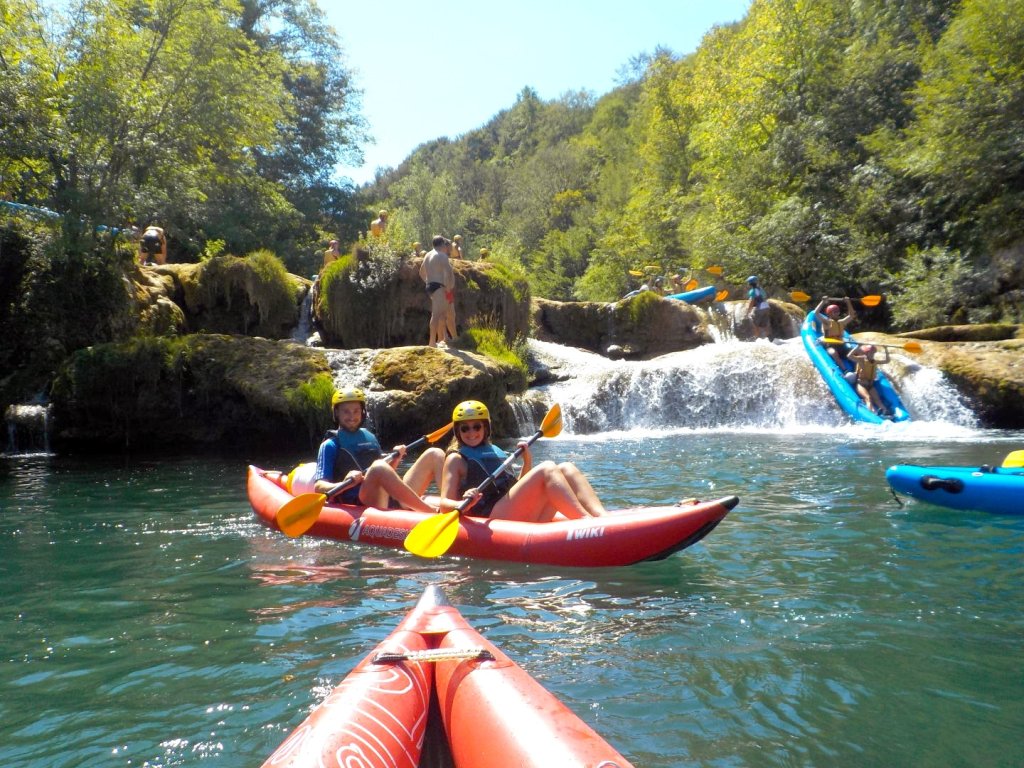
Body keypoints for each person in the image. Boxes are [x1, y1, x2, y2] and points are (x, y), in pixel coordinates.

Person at [439, 400, 608, 522]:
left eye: (476, 426)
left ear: (485, 428)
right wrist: (464, 502)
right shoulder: (456, 459)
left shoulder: (494, 452)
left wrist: (527, 461)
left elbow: (514, 488)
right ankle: (586, 522)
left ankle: (602, 517)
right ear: (457, 431)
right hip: (489, 515)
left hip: (509, 509)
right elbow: (444, 504)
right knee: (547, 468)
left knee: (566, 467)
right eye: (465, 428)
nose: (471, 432)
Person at [312, 388, 443, 512]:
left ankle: (452, 504)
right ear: (336, 413)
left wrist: (396, 458)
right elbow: (319, 487)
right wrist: (346, 483)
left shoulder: (370, 437)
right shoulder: (330, 445)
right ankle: (430, 512)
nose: (352, 416)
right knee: (378, 467)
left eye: (356, 411)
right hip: (361, 500)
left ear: (362, 412)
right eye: (346, 411)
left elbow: (386, 475)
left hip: (386, 496)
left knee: (434, 453)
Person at [418, 235, 455, 348]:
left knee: (442, 313)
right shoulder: (442, 256)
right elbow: (448, 274)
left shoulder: (427, 255)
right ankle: (432, 342)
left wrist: (428, 282)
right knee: (436, 314)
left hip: (430, 286)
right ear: (443, 244)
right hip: (440, 286)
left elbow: (421, 272)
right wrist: (448, 289)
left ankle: (443, 338)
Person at [847, 344, 892, 416]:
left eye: (873, 353)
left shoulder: (875, 361)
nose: (873, 354)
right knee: (868, 398)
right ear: (867, 353)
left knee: (878, 400)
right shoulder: (861, 359)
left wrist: (886, 349)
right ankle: (872, 414)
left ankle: (885, 411)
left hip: (870, 385)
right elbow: (849, 356)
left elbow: (887, 360)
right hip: (860, 384)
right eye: (871, 353)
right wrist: (857, 346)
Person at [814, 297, 856, 364]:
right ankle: (844, 370)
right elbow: (816, 313)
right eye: (835, 312)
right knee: (833, 353)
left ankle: (859, 369)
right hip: (830, 345)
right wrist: (823, 301)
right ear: (829, 314)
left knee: (854, 352)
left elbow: (851, 315)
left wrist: (848, 302)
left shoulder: (841, 322)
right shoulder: (827, 322)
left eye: (838, 311)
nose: (837, 313)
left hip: (841, 345)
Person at [744, 275, 771, 340]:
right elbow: (764, 297)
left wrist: (748, 311)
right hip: (766, 307)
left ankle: (757, 338)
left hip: (760, 308)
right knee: (765, 324)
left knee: (755, 324)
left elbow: (752, 301)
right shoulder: (761, 289)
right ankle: (769, 338)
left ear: (750, 283)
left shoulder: (752, 291)